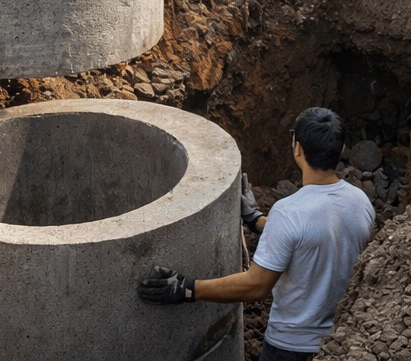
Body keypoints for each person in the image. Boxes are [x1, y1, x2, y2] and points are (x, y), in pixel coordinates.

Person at [137, 107, 374, 361]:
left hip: (289, 347)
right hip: (340, 342)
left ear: (297, 148)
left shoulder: (288, 213)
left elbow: (256, 286)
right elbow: (317, 233)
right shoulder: (361, 202)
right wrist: (255, 220)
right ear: (342, 149)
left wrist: (188, 289)